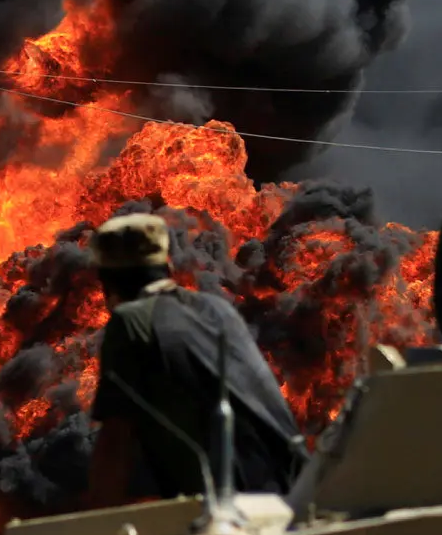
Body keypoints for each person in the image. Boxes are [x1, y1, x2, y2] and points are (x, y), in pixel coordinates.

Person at [84, 212, 308, 506]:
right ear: (167, 266)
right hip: (299, 492)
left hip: (233, 513)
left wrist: (95, 531)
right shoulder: (217, 309)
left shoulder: (130, 321)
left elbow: (115, 444)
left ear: (106, 285)